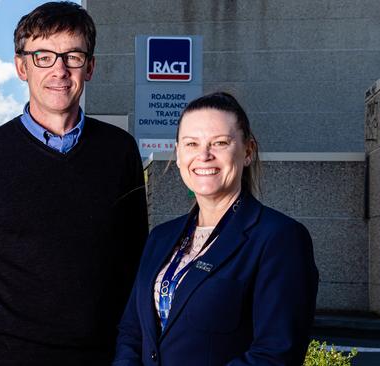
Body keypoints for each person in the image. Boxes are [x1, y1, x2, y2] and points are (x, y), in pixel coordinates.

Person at [0, 2, 148, 365]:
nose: (60, 70)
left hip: (104, 356)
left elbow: (135, 256)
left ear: (90, 67)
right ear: (21, 66)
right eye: (44, 57)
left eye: (73, 56)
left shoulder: (120, 152)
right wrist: (2, 339)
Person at [113, 92, 319, 366]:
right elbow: (132, 332)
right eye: (191, 144)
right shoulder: (160, 237)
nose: (204, 155)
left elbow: (276, 354)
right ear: (178, 154)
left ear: (247, 151)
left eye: (220, 143)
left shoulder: (279, 238)